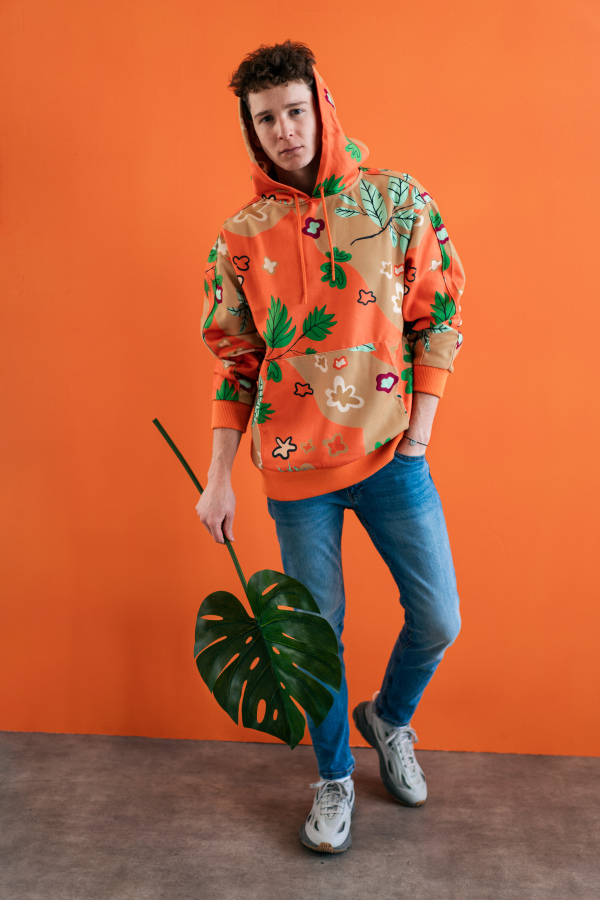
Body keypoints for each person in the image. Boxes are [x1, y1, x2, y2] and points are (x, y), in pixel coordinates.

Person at [197, 40, 465, 853]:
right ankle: (335, 777)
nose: (285, 130)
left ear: (322, 105)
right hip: (293, 477)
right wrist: (217, 479)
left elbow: (439, 316)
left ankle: (388, 718)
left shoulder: (399, 201)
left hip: (391, 463)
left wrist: (418, 435)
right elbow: (237, 363)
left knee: (438, 618)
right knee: (318, 637)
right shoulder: (241, 236)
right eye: (266, 119)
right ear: (253, 130)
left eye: (295, 110)